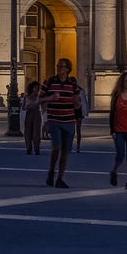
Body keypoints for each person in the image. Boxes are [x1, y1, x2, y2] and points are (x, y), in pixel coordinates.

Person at [41, 59, 84, 188]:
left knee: (65, 151)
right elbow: (40, 98)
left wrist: (77, 102)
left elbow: (76, 105)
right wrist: (50, 99)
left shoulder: (74, 84)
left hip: (69, 121)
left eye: (62, 66)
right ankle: (51, 170)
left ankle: (59, 178)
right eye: (58, 66)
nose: (59, 68)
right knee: (57, 147)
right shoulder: (48, 82)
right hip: (54, 120)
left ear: (68, 69)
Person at [21, 81, 45, 155]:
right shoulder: (26, 97)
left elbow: (43, 107)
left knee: (36, 133)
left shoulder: (39, 97)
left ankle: (36, 149)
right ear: (32, 88)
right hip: (28, 114)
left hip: (36, 114)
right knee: (28, 132)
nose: (36, 89)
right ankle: (29, 148)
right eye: (35, 88)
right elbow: (23, 107)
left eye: (38, 88)